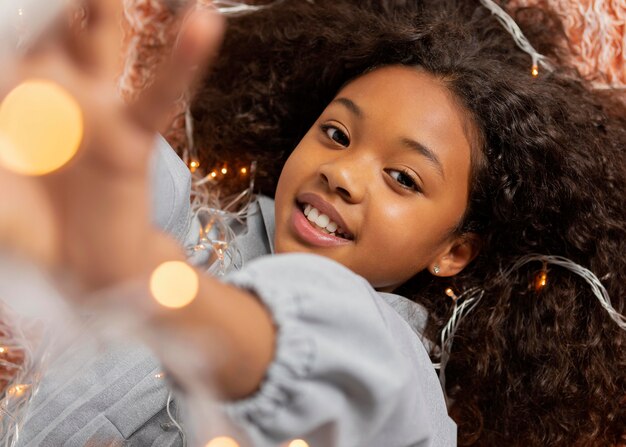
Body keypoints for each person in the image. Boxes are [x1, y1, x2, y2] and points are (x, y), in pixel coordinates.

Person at [0, 1, 624, 446]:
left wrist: (164, 286)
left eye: (404, 178)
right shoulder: (198, 237)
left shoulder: (391, 372)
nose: (344, 174)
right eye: (337, 133)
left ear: (454, 251)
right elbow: (137, 198)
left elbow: (320, 345)